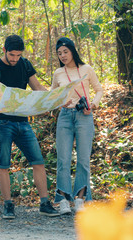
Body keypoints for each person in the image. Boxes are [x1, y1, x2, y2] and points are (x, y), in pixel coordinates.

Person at [0, 35, 59, 219]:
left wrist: (55, 100)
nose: (15, 59)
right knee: (3, 164)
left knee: (38, 161)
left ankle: (45, 203)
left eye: (18, 55)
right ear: (4, 51)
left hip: (23, 121)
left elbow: (37, 87)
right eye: (12, 55)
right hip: (2, 122)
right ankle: (8, 205)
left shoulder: (25, 64)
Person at [51, 37, 103, 214]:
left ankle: (80, 198)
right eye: (59, 53)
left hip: (84, 116)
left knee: (83, 160)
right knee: (63, 160)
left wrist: (93, 105)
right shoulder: (58, 73)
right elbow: (53, 96)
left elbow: (99, 90)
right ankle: (64, 200)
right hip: (65, 117)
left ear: (72, 50)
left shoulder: (86, 69)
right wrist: (60, 104)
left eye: (65, 51)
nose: (63, 55)